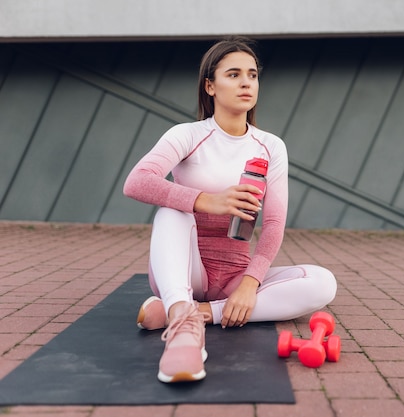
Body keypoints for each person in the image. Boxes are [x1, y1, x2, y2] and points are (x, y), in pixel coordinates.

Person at [123, 37, 337, 383]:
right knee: (173, 210)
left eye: (252, 75)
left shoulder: (270, 146)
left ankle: (204, 313)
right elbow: (136, 182)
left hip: (235, 275)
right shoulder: (188, 134)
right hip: (187, 269)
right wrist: (207, 200)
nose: (245, 83)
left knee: (323, 283)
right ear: (210, 86)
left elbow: (273, 224)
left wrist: (250, 284)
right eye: (233, 74)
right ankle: (181, 320)